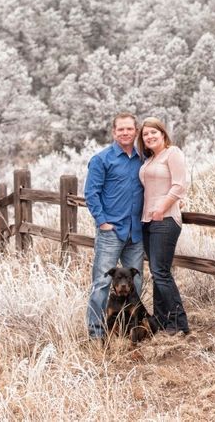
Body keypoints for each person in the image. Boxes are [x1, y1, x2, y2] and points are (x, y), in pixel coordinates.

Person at [84, 112, 146, 341]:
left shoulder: (143, 158)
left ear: (136, 131)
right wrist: (102, 222)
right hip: (111, 232)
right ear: (113, 132)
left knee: (135, 281)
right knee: (101, 282)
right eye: (121, 129)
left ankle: (133, 331)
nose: (125, 133)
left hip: (136, 232)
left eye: (129, 129)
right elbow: (91, 193)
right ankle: (96, 334)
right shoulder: (102, 159)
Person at [137, 116, 190, 335]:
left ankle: (179, 323)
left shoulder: (173, 153)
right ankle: (160, 319)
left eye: (153, 132)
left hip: (165, 219)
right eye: (145, 134)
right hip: (147, 221)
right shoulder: (148, 160)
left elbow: (179, 185)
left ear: (162, 133)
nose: (149, 136)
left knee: (161, 272)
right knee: (157, 271)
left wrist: (161, 208)